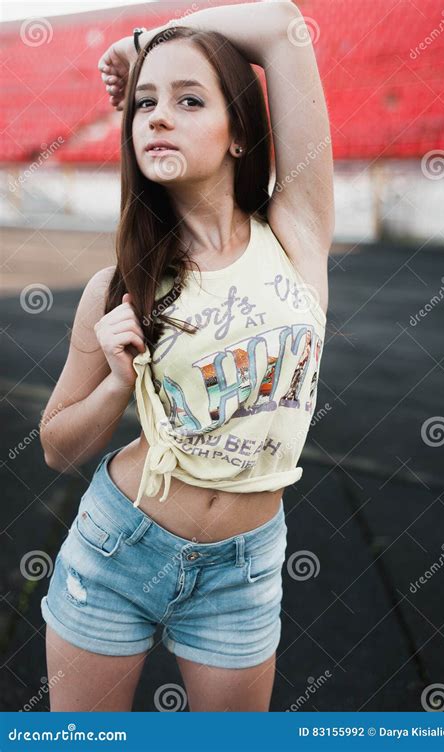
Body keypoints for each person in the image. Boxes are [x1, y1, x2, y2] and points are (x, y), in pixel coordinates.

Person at [39, 0, 334, 712]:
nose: (158, 116)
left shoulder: (297, 231)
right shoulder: (116, 287)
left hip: (245, 567)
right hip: (116, 548)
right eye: (144, 103)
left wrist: (143, 43)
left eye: (189, 99)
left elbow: (284, 25)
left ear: (239, 134)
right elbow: (54, 445)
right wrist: (115, 385)